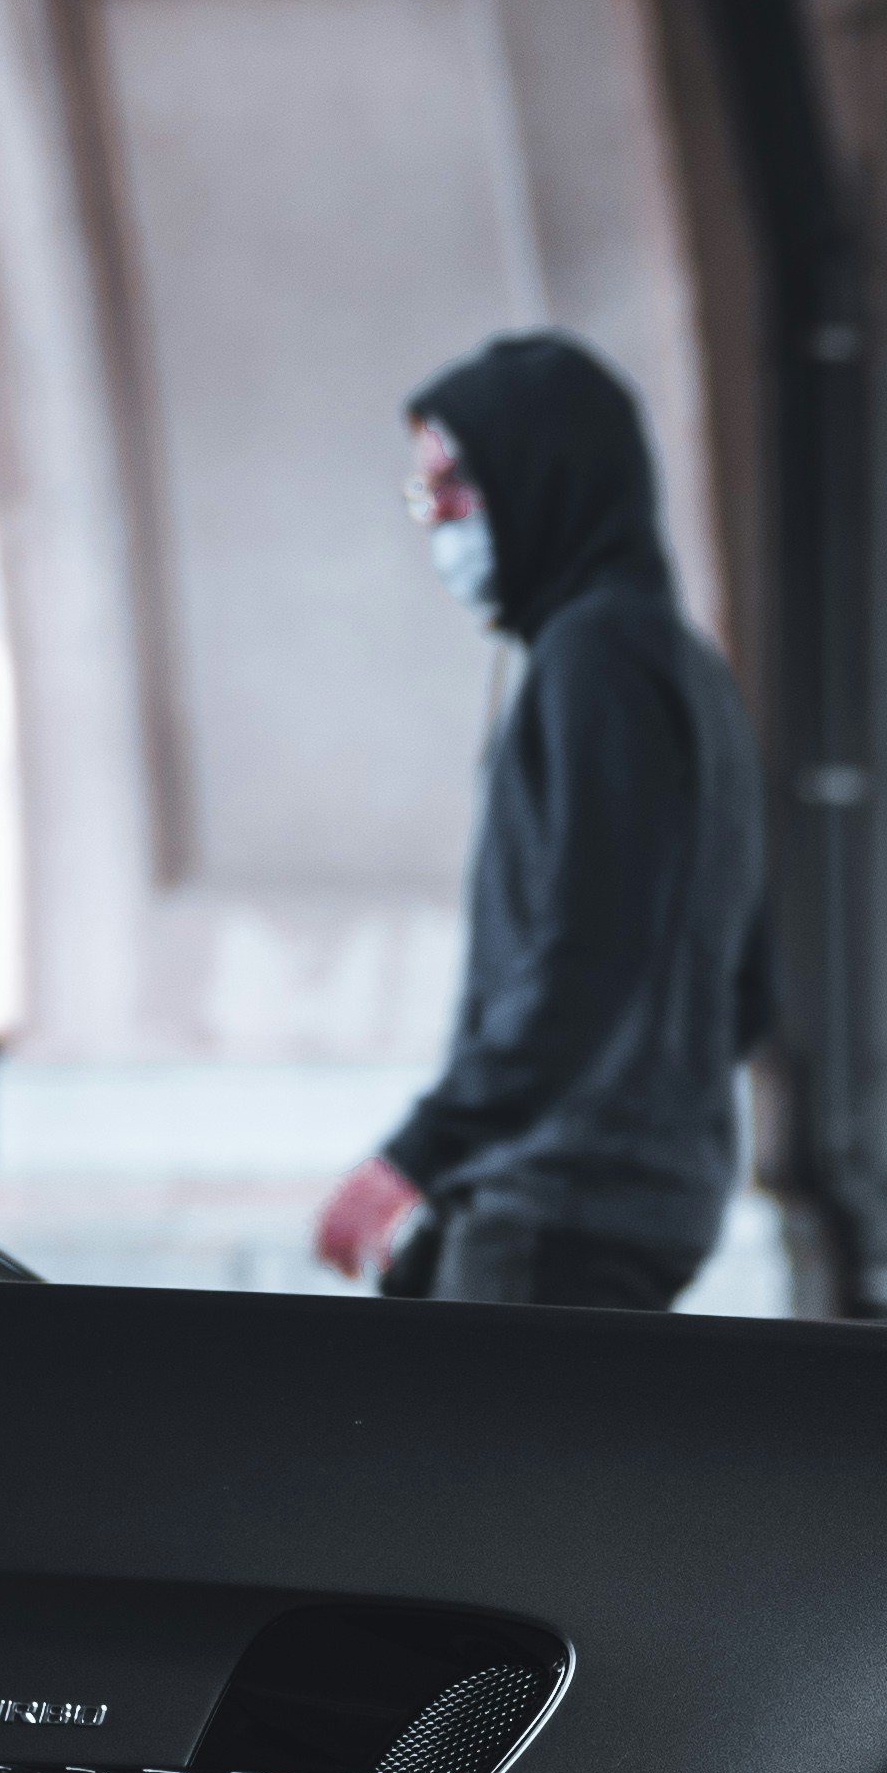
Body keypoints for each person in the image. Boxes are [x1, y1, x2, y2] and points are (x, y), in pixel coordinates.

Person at [314, 333, 773, 1309]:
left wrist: (416, 1156)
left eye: (454, 487)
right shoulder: (689, 668)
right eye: (425, 494)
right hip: (641, 1191)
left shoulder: (592, 660)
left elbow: (586, 947)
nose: (437, 520)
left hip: (561, 1195)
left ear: (542, 475)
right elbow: (754, 981)